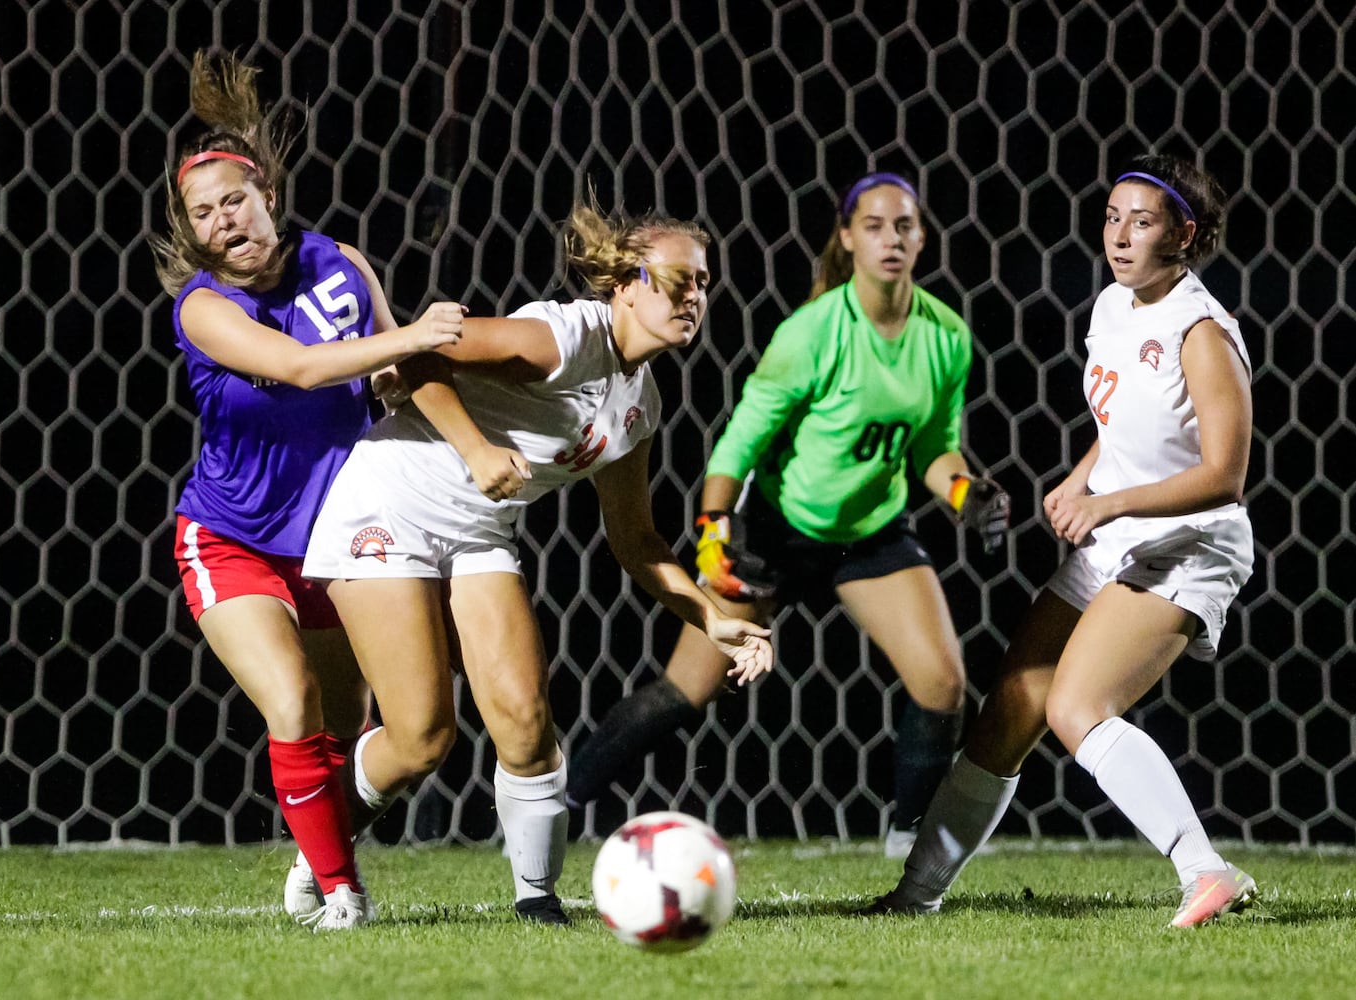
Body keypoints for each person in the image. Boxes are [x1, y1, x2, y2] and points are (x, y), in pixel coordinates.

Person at [299, 200, 775, 926]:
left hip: (480, 532)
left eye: (702, 283)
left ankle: (537, 905)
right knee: (422, 736)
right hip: (388, 509)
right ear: (626, 284)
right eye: (676, 280)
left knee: (524, 718)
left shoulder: (637, 403)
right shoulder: (558, 337)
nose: (693, 297)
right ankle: (320, 852)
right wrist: (477, 451)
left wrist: (712, 619)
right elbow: (417, 353)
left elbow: (636, 542)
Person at [566, 172, 1010, 856]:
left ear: (921, 238)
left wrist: (963, 492)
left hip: (869, 534)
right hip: (775, 528)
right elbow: (737, 446)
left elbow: (932, 448)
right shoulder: (812, 333)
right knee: (686, 689)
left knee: (943, 683)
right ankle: (558, 806)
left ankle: (908, 843)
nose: (889, 239)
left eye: (903, 226)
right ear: (846, 239)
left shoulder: (944, 336)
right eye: (873, 226)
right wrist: (713, 534)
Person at [865, 154, 1256, 928]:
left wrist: (1108, 502)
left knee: (1078, 704)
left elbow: (1223, 474)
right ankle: (913, 897)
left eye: (1140, 222)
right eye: (1111, 216)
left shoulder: (1201, 330)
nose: (1117, 235)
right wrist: (1084, 479)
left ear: (1183, 232)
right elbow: (1124, 430)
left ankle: (1206, 871)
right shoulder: (1112, 305)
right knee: (1012, 705)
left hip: (1190, 543)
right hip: (1120, 533)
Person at [151, 51, 469, 931]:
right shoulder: (202, 308)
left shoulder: (340, 263)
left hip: (339, 541)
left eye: (234, 203)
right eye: (203, 214)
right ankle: (342, 895)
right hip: (233, 540)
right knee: (289, 701)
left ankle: (315, 853)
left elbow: (393, 380)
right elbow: (296, 368)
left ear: (268, 198)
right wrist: (407, 334)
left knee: (384, 733)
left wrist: (473, 415)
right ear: (192, 233)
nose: (223, 223)